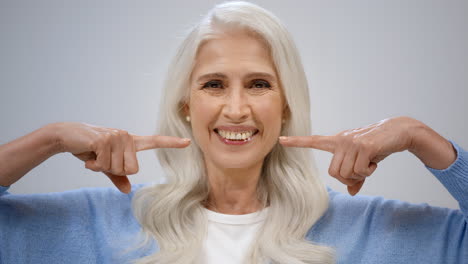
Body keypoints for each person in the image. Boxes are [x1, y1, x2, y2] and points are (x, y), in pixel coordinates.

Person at [0, 1, 466, 264]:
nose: (237, 109)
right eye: (214, 84)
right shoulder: (102, 223)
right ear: (186, 104)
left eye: (259, 84)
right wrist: (52, 138)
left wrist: (420, 138)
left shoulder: (370, 230)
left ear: (286, 106)